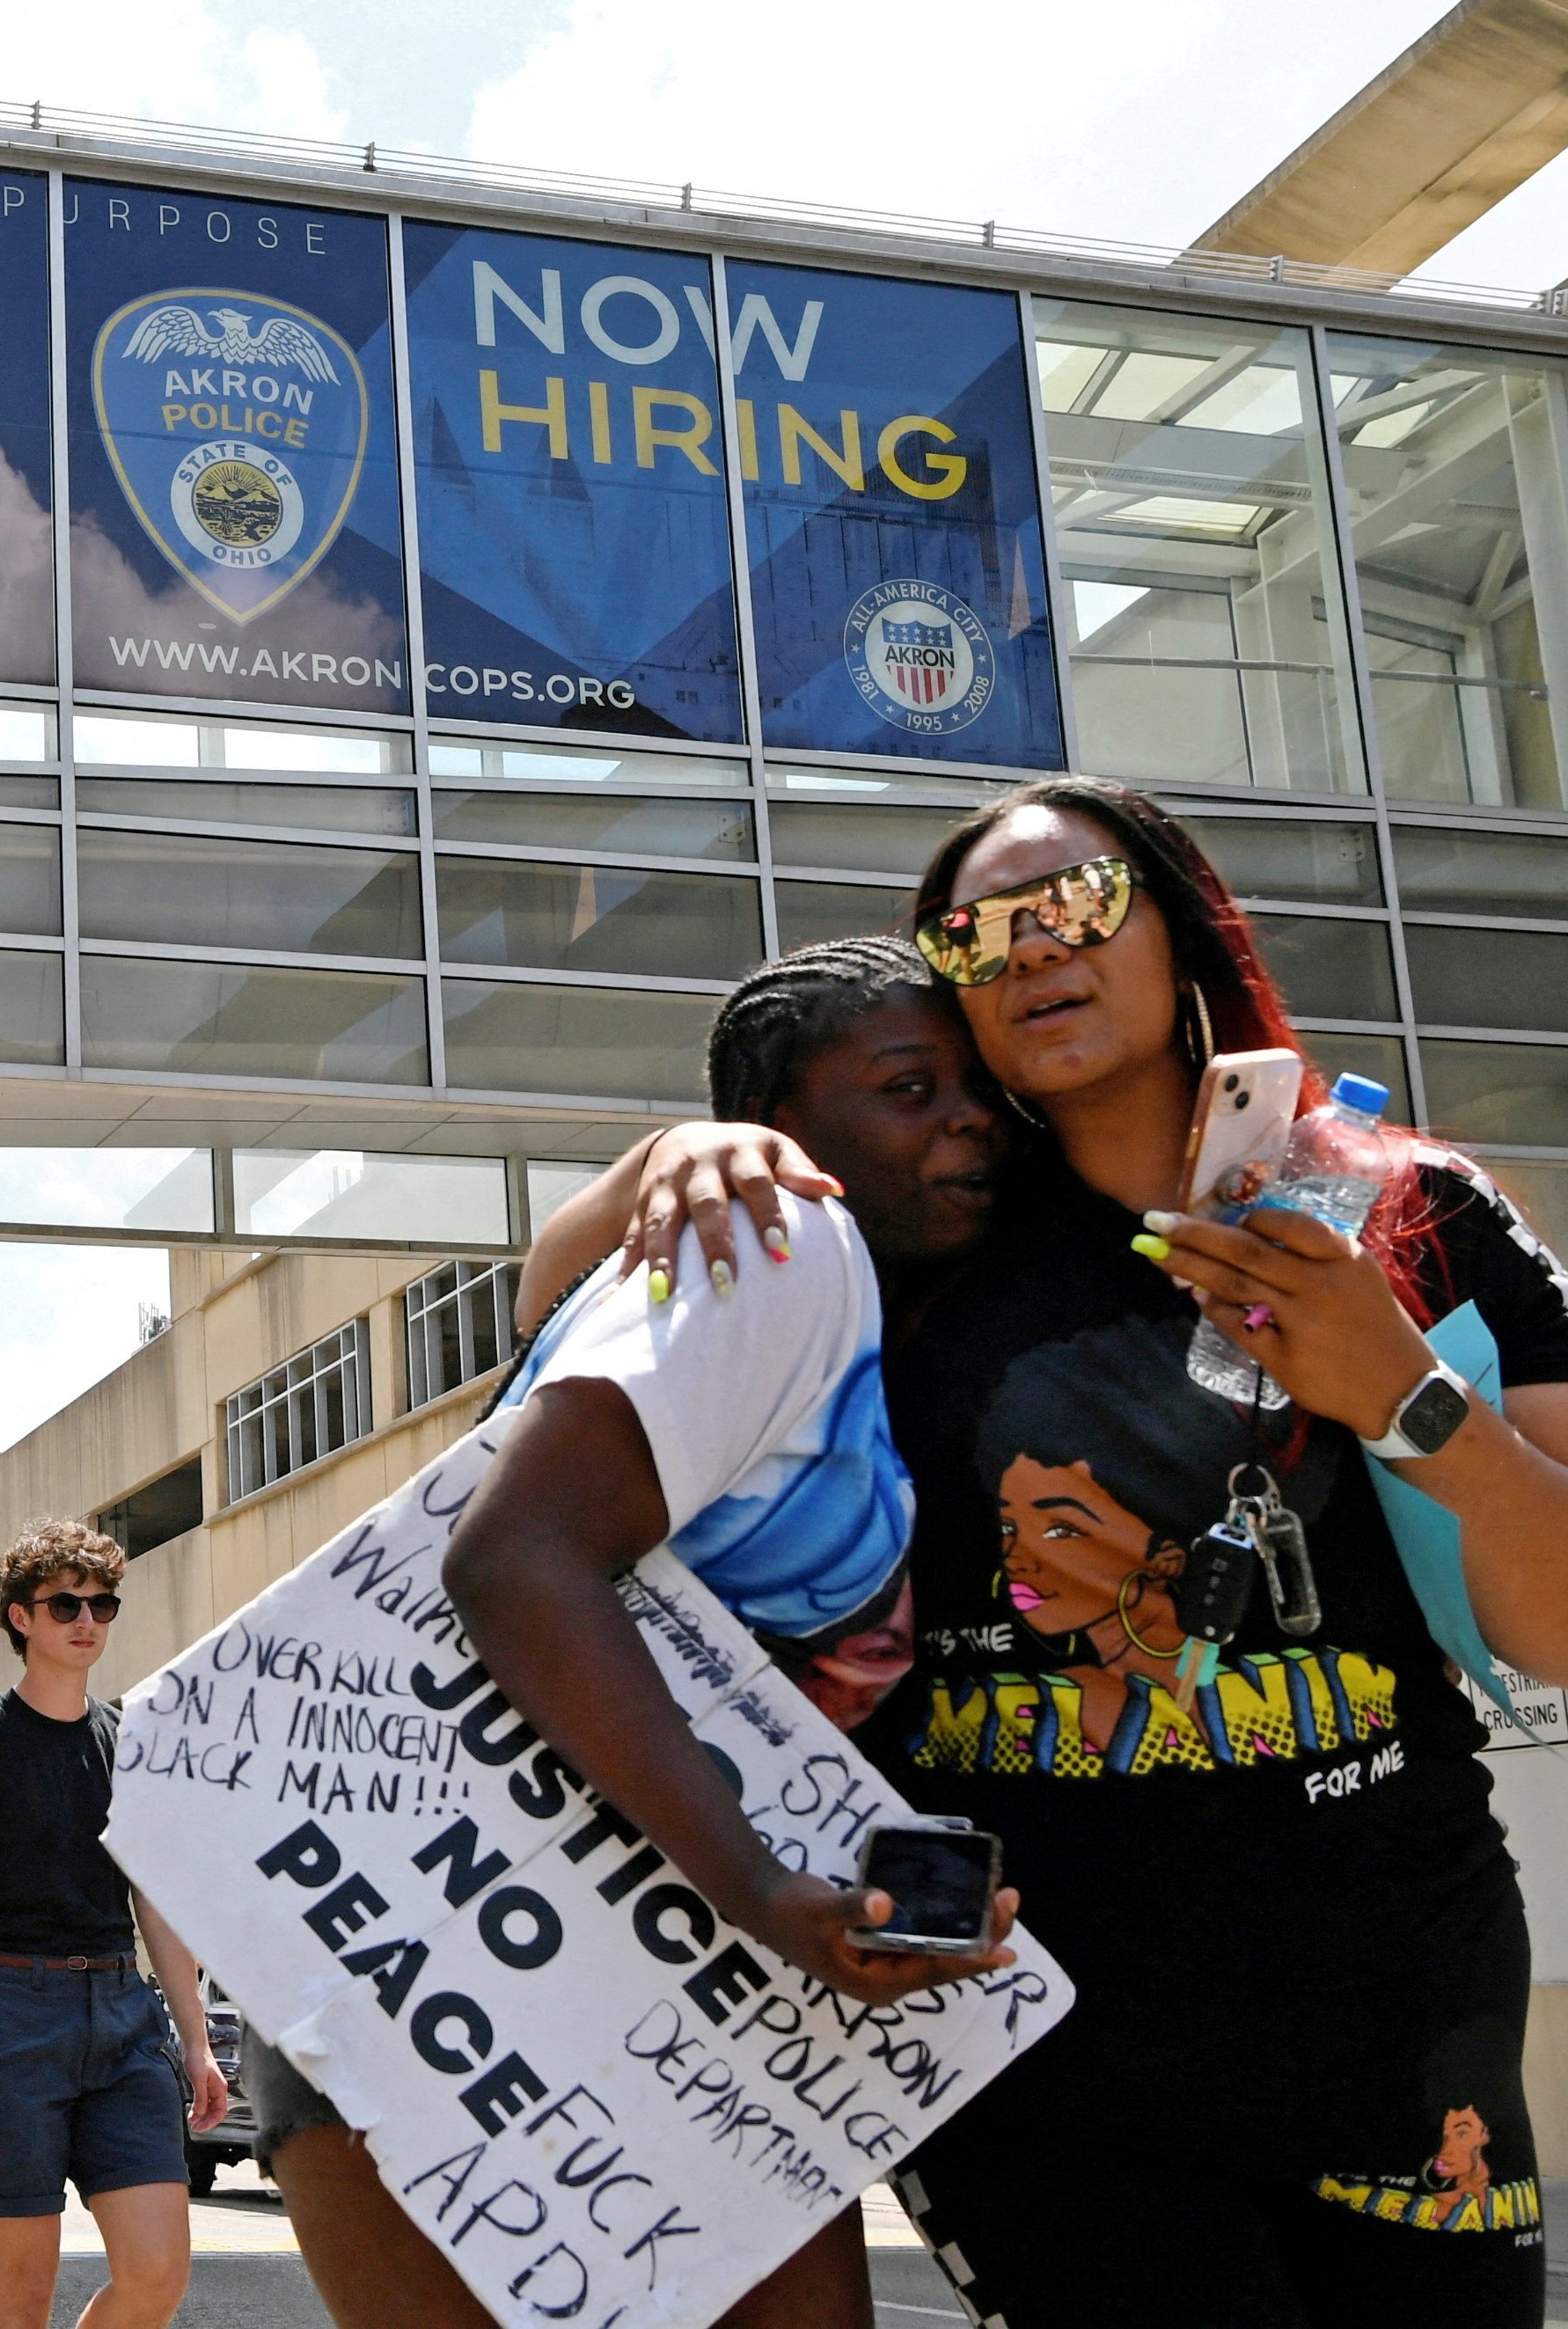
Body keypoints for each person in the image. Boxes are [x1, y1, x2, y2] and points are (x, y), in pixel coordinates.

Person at [595, 780, 1568, 2326]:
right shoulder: (913, 1247)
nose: (1029, 948)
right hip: (1033, 2046)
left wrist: (1402, 1396)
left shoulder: (1410, 1213)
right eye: (975, 933)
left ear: (1179, 921)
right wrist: (666, 1160)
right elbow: (563, 1359)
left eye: (1075, 903)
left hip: (1393, 2015)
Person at [248, 940, 1020, 2329]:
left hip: (439, 1975)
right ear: (782, 1131)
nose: (967, 1117)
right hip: (551, 1997)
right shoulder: (781, 1239)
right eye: (911, 1086)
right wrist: (758, 1888)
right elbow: (513, 1559)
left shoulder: (736, 1261)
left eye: (979, 1090)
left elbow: (543, 1301)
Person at [0, 1522, 229, 2329]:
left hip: (124, 2022)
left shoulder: (132, 1743)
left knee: (157, 2275)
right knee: (23, 2295)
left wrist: (193, 2041)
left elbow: (155, 1901)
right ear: (21, 1617)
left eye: (102, 1604)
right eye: (65, 1604)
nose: (86, 1619)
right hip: (8, 2021)